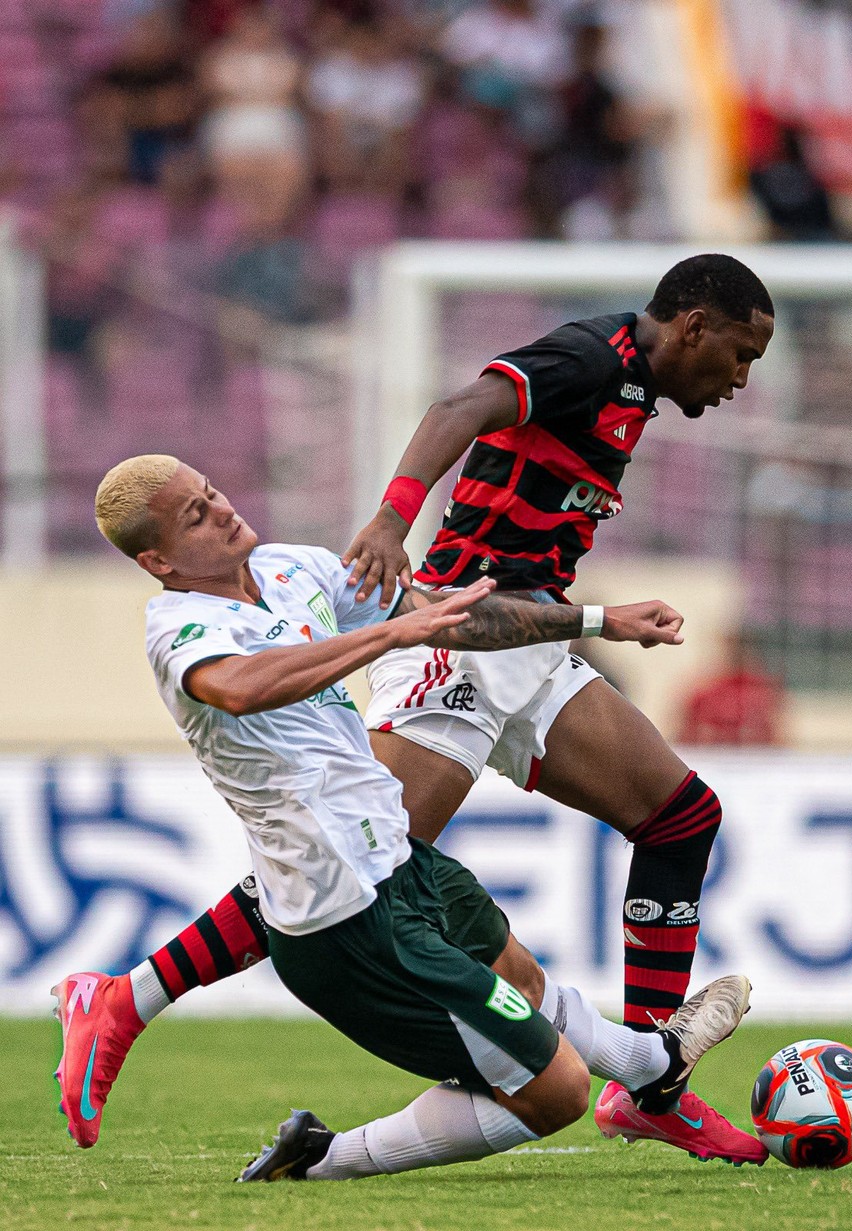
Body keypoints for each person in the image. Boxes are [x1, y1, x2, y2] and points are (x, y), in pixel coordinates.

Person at [54, 254, 774, 1165]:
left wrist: (600, 620)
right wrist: (396, 516)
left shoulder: (287, 567)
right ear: (697, 327)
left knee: (679, 815)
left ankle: (651, 1086)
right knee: (366, 856)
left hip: (515, 636)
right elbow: (457, 411)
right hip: (447, 642)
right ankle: (129, 998)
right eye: (742, 353)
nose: (743, 378)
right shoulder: (592, 357)